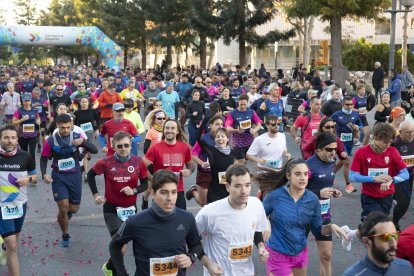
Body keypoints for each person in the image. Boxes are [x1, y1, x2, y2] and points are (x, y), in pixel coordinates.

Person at [255, 159, 347, 276]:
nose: (303, 178)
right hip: (278, 253)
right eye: (297, 174)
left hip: (300, 254)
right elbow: (258, 215)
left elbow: (318, 229)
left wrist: (330, 227)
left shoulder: (312, 199)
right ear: (288, 176)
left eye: (305, 174)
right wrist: (266, 222)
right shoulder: (275, 196)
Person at [109, 169, 207, 276]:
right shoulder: (135, 222)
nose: (170, 198)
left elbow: (196, 245)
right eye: (164, 192)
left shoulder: (187, 218)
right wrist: (121, 272)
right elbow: (115, 246)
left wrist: (190, 257)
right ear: (153, 194)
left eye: (173, 192)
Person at [87, 131, 149, 276]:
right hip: (112, 209)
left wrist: (134, 190)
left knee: (124, 245)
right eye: (119, 146)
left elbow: (145, 184)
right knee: (120, 246)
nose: (123, 148)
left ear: (131, 145)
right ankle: (118, 272)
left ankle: (109, 267)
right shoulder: (105, 162)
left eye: (126, 145)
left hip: (131, 210)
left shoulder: (138, 162)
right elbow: (90, 175)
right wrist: (96, 194)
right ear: (113, 147)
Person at [195, 164, 269, 276]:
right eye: (238, 186)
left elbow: (256, 229)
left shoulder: (256, 205)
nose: (244, 191)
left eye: (247, 185)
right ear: (228, 186)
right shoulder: (209, 212)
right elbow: (191, 238)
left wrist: (261, 246)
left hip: (246, 272)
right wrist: (208, 263)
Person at [40, 114, 98, 247]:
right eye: (62, 128)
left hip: (75, 175)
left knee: (74, 208)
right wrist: (44, 174)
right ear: (57, 126)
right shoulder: (51, 141)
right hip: (59, 176)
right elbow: (43, 158)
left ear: (71, 125)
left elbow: (94, 150)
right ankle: (65, 234)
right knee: (63, 208)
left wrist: (83, 142)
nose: (65, 130)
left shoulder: (77, 136)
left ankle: (64, 215)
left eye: (67, 127)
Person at [350, 122, 408, 221]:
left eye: (390, 142)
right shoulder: (361, 152)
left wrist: (392, 180)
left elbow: (405, 174)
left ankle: (354, 233)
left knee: (381, 225)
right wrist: (373, 178)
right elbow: (352, 176)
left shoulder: (393, 151)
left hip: (387, 196)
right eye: (385, 142)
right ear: (376, 137)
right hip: (369, 196)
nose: (387, 145)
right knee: (372, 224)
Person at [0, 125, 36, 276]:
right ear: (0, 139)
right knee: (12, 245)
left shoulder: (25, 156)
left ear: (17, 139)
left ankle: (3, 248)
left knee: (12, 241)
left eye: (13, 138)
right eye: (6, 137)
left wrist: (27, 178)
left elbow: (34, 177)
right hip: (2, 206)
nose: (10, 141)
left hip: (20, 205)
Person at [306, 132, 343, 276]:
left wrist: (333, 191)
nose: (333, 152)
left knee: (327, 256)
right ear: (318, 150)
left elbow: (324, 184)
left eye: (334, 149)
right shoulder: (307, 166)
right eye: (329, 149)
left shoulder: (332, 162)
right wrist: (318, 193)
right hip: (305, 215)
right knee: (295, 256)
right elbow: (295, 192)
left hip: (324, 214)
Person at [143, 119, 194, 210]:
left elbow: (191, 165)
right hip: (160, 190)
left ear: (177, 131)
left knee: (180, 220)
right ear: (164, 130)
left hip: (178, 190)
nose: (169, 130)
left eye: (172, 128)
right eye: (167, 128)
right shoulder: (155, 148)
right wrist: (154, 179)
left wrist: (189, 171)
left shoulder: (184, 147)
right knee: (160, 220)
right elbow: (142, 167)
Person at [343, 212, 414, 276]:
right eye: (386, 237)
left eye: (395, 236)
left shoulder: (407, 268)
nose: (393, 243)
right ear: (366, 241)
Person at [186, 115, 224, 207]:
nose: (220, 126)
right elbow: (193, 154)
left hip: (220, 174)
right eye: (217, 124)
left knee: (220, 202)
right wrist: (202, 163)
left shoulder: (225, 137)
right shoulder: (204, 138)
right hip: (205, 173)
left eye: (222, 124)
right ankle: (193, 192)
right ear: (211, 125)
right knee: (204, 204)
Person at [390, 120, 414, 231]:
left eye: (413, 131)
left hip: (411, 175)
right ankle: (394, 223)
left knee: (406, 200)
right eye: (408, 132)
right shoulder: (394, 143)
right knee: (404, 202)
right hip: (399, 176)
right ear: (401, 132)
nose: (411, 135)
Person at [225, 94, 262, 163]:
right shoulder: (232, 113)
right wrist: (236, 130)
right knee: (241, 161)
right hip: (237, 141)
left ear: (247, 102)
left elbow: (258, 124)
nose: (243, 106)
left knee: (245, 161)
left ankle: (237, 172)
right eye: (241, 104)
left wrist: (254, 130)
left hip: (249, 140)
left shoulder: (251, 112)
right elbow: (227, 127)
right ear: (238, 102)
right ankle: (231, 172)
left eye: (245, 104)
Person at [12, 93, 40, 160]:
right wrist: (22, 119)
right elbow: (13, 123)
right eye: (25, 101)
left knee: (32, 153)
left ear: (30, 101)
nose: (27, 102)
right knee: (24, 152)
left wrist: (38, 121)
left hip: (33, 135)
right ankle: (24, 167)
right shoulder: (19, 111)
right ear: (23, 101)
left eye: (28, 100)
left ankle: (32, 168)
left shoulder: (35, 110)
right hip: (22, 135)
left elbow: (38, 118)